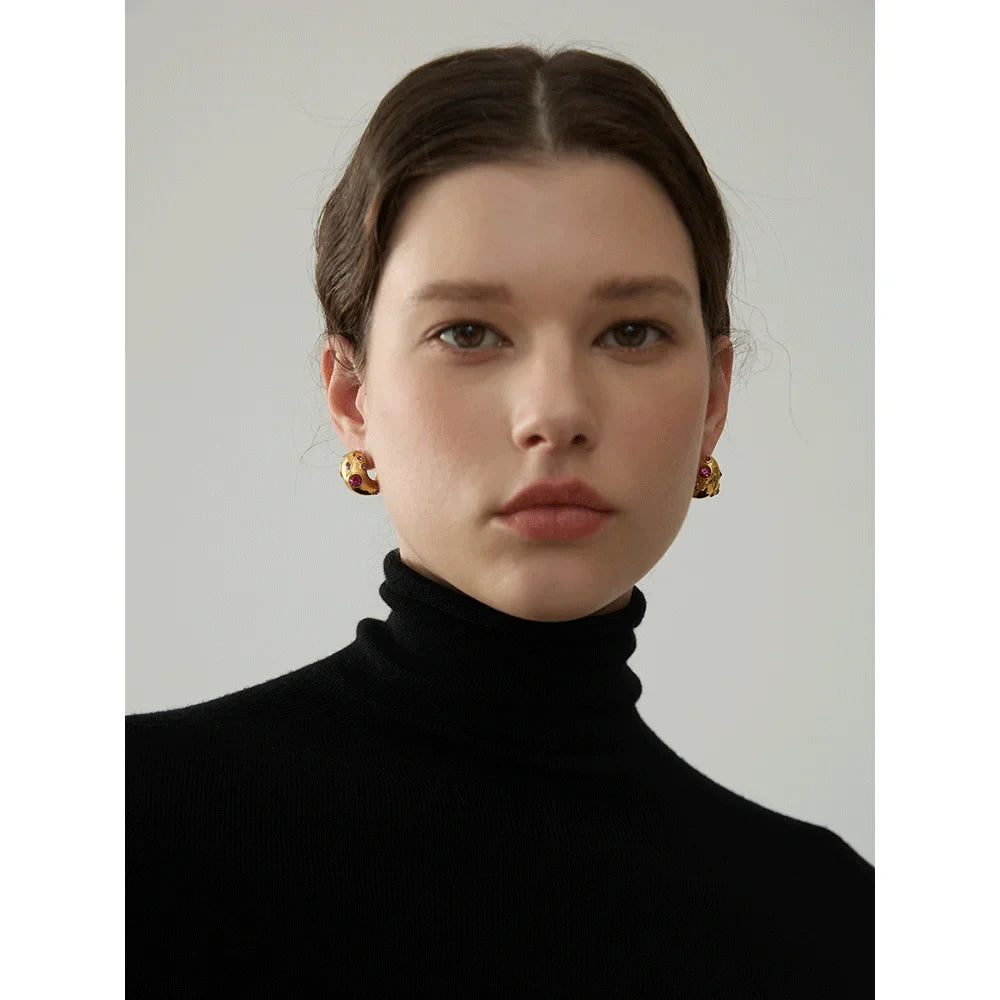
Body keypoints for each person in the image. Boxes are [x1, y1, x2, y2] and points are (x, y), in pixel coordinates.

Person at [127, 44, 873, 997]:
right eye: (468, 333)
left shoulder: (839, 925)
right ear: (351, 395)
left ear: (715, 399)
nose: (554, 412)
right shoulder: (108, 835)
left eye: (631, 332)